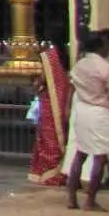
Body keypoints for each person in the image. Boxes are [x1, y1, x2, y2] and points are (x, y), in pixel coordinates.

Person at [65, 31, 109, 211]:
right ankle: (90, 200)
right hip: (100, 112)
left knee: (80, 153)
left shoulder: (79, 65)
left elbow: (72, 85)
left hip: (83, 110)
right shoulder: (106, 68)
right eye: (106, 44)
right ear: (100, 47)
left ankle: (71, 198)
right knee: (100, 157)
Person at [32, 41, 76, 188]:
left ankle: (50, 173)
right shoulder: (71, 53)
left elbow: (43, 80)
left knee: (49, 138)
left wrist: (36, 84)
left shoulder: (49, 57)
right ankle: (64, 170)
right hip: (66, 102)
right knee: (63, 136)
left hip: (50, 104)